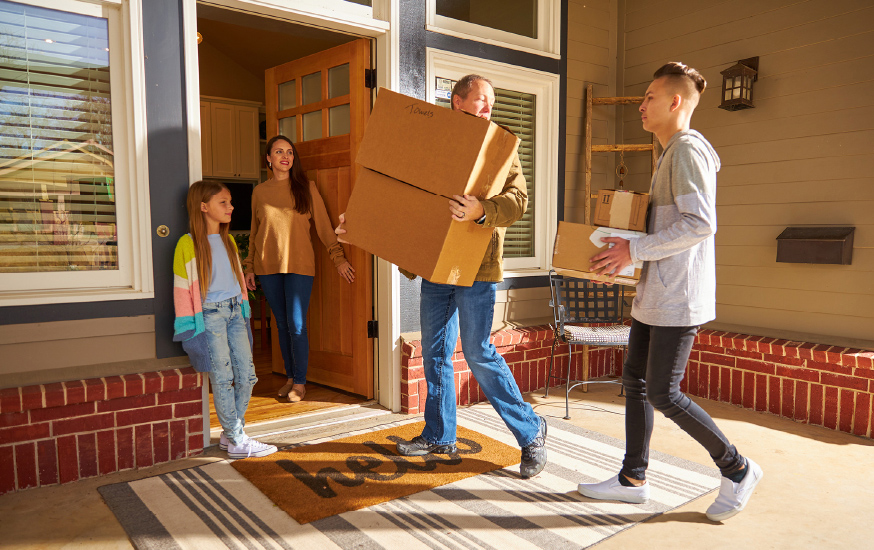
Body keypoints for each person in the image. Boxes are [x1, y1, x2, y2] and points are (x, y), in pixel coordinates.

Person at [577, 62, 762, 521]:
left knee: (664, 392)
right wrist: (622, 255)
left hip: (678, 298)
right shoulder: (669, 154)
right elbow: (667, 228)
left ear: (675, 101)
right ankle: (631, 480)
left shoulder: (686, 151)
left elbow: (700, 224)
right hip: (655, 295)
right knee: (635, 384)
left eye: (650, 97)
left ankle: (737, 468)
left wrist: (634, 250)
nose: (641, 105)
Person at [337, 75, 548, 478]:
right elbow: (401, 196)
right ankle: (439, 434)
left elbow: (518, 200)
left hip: (477, 268)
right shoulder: (429, 143)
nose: (487, 107)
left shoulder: (500, 147)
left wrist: (480, 209)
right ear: (457, 101)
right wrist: (361, 224)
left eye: (491, 101)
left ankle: (531, 430)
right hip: (437, 267)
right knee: (435, 353)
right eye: (480, 100)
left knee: (477, 352)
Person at [244, 136, 355, 403]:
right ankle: (290, 378)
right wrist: (248, 267)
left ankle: (301, 382)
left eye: (290, 152)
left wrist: (338, 258)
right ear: (268, 159)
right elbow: (254, 232)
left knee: (296, 324)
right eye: (279, 152)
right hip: (267, 267)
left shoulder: (306, 187)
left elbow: (324, 227)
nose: (286, 156)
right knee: (280, 325)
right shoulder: (259, 192)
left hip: (299, 266)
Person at [173, 180, 277, 459]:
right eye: (224, 202)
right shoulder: (187, 244)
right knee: (223, 378)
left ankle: (232, 434)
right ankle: (236, 438)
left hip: (234, 311)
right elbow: (182, 290)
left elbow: (238, 284)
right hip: (210, 316)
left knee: (248, 376)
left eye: (230, 202)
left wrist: (244, 311)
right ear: (203, 207)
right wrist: (188, 327)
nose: (231, 207)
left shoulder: (229, 240)